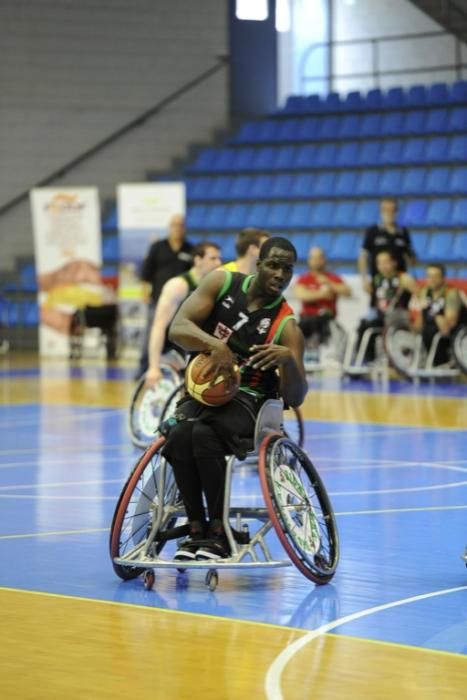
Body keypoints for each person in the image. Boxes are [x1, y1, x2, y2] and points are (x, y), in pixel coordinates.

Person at [162, 237, 307, 561]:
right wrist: (216, 345)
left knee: (202, 434)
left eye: (288, 269)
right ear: (258, 264)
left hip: (250, 399)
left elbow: (296, 396)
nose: (281, 274)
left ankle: (218, 532)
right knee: (180, 432)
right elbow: (179, 328)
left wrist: (289, 362)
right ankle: (195, 527)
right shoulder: (222, 282)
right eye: (274, 265)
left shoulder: (286, 325)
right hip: (204, 389)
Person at [145, 242, 222, 385]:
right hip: (173, 351)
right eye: (213, 258)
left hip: (195, 348)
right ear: (198, 260)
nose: (218, 263)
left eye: (219, 258)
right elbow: (158, 326)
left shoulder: (213, 286)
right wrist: (153, 367)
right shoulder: (178, 286)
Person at [136, 215, 193, 377]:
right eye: (174, 225)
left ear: (184, 227)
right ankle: (145, 369)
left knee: (180, 337)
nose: (177, 228)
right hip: (157, 300)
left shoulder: (190, 249)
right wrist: (144, 292)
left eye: (180, 225)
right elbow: (146, 271)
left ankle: (182, 371)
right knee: (151, 335)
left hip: (182, 304)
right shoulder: (158, 247)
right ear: (169, 227)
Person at [356, 249, 418, 362]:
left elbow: (419, 294)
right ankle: (367, 359)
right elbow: (374, 296)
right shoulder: (377, 279)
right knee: (364, 324)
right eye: (379, 263)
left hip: (399, 314)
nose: (382, 266)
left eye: (385, 262)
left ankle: (394, 358)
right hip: (382, 315)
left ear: (394, 263)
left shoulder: (403, 278)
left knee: (389, 318)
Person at [294, 247, 350, 356]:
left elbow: (347, 291)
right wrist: (322, 294)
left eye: (319, 258)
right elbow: (301, 295)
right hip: (307, 320)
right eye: (314, 258)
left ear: (324, 259)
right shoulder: (304, 279)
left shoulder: (332, 278)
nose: (316, 261)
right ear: (309, 260)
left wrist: (329, 284)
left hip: (327, 320)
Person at [358, 198, 416, 297]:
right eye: (386, 210)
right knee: (379, 309)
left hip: (399, 282)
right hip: (379, 281)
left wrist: (412, 259)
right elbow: (363, 257)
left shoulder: (403, 232)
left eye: (392, 210)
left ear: (397, 211)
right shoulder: (373, 231)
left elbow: (410, 257)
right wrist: (364, 279)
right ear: (381, 211)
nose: (389, 213)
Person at [413, 263, 462, 366]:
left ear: (443, 278)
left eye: (436, 276)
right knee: (421, 331)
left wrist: (432, 309)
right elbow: (419, 324)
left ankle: (443, 361)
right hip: (432, 330)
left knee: (431, 330)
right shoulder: (425, 292)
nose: (432, 280)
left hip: (454, 334)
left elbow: (448, 327)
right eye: (429, 276)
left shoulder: (451, 293)